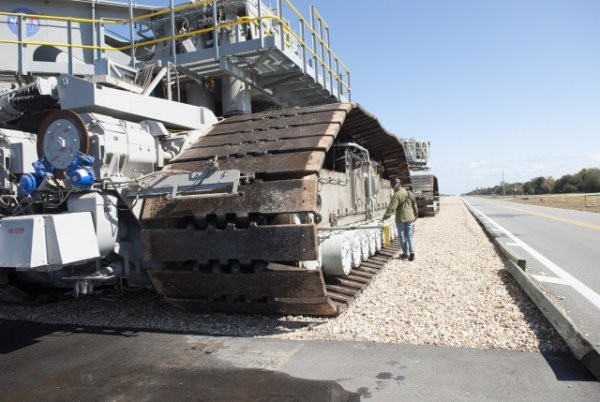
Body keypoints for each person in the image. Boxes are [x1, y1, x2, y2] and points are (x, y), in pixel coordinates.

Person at [381, 178, 418, 261]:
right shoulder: (409, 192)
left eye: (392, 185)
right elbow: (414, 203)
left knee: (402, 236)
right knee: (410, 235)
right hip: (410, 217)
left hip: (401, 218)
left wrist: (384, 217)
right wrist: (416, 214)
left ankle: (405, 253)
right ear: (400, 184)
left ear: (394, 185)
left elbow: (391, 208)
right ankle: (412, 252)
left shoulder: (396, 195)